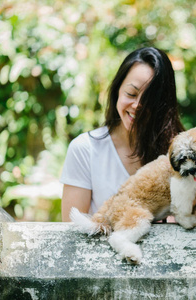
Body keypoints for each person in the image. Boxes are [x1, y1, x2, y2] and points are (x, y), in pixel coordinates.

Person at [60, 47, 185, 221]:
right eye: (131, 94)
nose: (137, 106)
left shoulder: (180, 154)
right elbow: (71, 232)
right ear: (117, 89)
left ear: (163, 104)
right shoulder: (84, 150)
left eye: (149, 100)